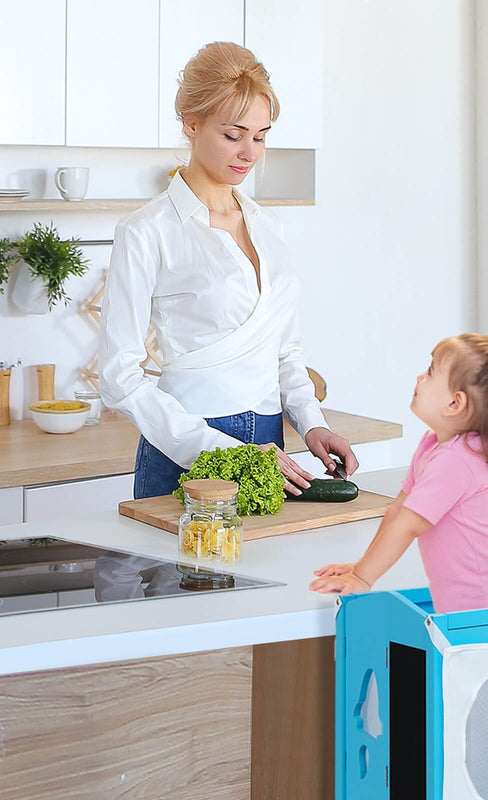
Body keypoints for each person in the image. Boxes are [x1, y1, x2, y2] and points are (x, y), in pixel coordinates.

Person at [98, 42, 357, 499]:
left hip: (271, 443)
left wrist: (312, 424)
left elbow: (284, 351)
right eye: (233, 134)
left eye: (260, 136)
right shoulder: (146, 231)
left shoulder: (268, 225)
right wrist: (224, 452)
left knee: (265, 571)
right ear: (191, 123)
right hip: (190, 448)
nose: (249, 152)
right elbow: (119, 379)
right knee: (180, 572)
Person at [310, 326, 488, 614]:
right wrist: (362, 567)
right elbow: (399, 511)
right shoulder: (434, 444)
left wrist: (363, 577)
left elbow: (409, 525)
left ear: (454, 403)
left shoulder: (459, 460)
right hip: (475, 609)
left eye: (431, 371)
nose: (420, 377)